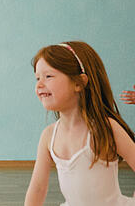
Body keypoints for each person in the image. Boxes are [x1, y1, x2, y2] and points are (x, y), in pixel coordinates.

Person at [25, 41, 135, 206]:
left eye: (48, 76)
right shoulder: (48, 136)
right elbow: (38, 188)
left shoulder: (106, 128)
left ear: (79, 83)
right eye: (37, 78)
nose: (39, 84)